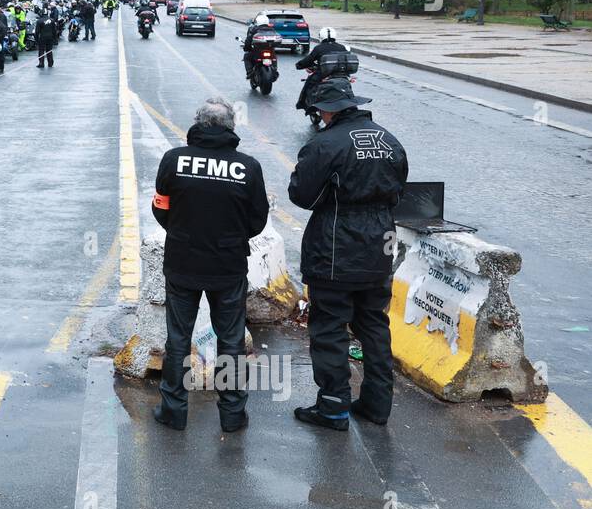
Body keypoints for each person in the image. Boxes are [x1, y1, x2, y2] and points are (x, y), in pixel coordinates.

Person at [288, 77, 408, 431]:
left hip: (336, 251)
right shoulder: (390, 140)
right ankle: (376, 404)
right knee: (373, 324)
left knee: (329, 328)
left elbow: (302, 195)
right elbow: (399, 189)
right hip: (379, 249)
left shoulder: (325, 144)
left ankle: (333, 407)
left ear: (326, 110)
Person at [151, 97, 269, 432]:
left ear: (198, 124)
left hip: (182, 262)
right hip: (228, 266)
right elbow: (257, 219)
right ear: (232, 127)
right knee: (230, 341)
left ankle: (173, 412)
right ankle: (232, 415)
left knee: (178, 339)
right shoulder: (247, 167)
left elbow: (161, 207)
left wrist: (182, 232)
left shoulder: (174, 160)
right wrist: (228, 237)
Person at [295, 27, 347, 110]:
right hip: (341, 74)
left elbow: (309, 59)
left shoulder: (319, 48)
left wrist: (299, 65)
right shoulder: (342, 47)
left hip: (323, 75)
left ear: (321, 36)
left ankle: (305, 105)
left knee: (309, 84)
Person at [242, 14, 277, 78]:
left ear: (257, 22)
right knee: (274, 57)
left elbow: (248, 40)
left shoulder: (254, 29)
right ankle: (275, 70)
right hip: (270, 51)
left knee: (246, 56)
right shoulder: (272, 29)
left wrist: (246, 48)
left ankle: (249, 72)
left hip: (257, 52)